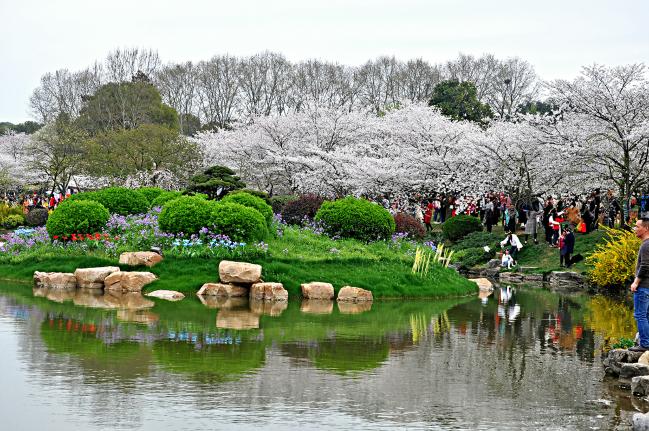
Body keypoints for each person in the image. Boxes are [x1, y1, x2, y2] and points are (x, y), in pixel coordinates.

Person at [629, 218, 649, 352]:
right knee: (646, 315)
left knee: (640, 315)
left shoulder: (646, 245)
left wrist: (636, 282)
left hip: (644, 286)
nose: (635, 229)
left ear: (646, 228)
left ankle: (645, 344)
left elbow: (645, 265)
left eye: (637, 226)